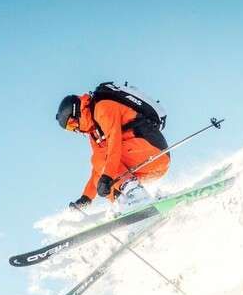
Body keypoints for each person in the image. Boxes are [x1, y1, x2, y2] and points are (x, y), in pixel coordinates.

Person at [56, 83, 171, 211]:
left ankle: (136, 193)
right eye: (70, 129)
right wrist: (86, 197)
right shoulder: (94, 133)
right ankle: (124, 202)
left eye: (72, 124)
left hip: (153, 151)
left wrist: (108, 177)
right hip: (145, 167)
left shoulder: (103, 108)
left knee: (104, 166)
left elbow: (114, 145)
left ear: (77, 111)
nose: (75, 129)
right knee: (100, 177)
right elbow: (98, 168)